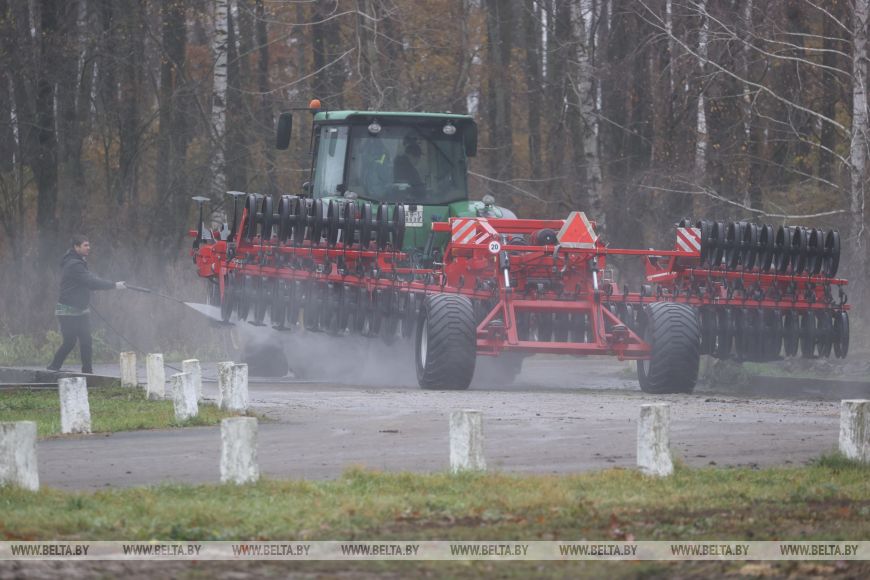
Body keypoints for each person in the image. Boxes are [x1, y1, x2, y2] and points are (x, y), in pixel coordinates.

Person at [47, 235, 126, 374]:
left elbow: (90, 281)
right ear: (76, 247)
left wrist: (110, 285)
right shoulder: (74, 264)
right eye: (85, 245)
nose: (89, 248)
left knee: (86, 341)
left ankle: (87, 372)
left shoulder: (78, 262)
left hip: (81, 310)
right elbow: (90, 281)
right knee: (70, 341)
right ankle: (53, 367)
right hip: (67, 310)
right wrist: (114, 285)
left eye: (89, 245)